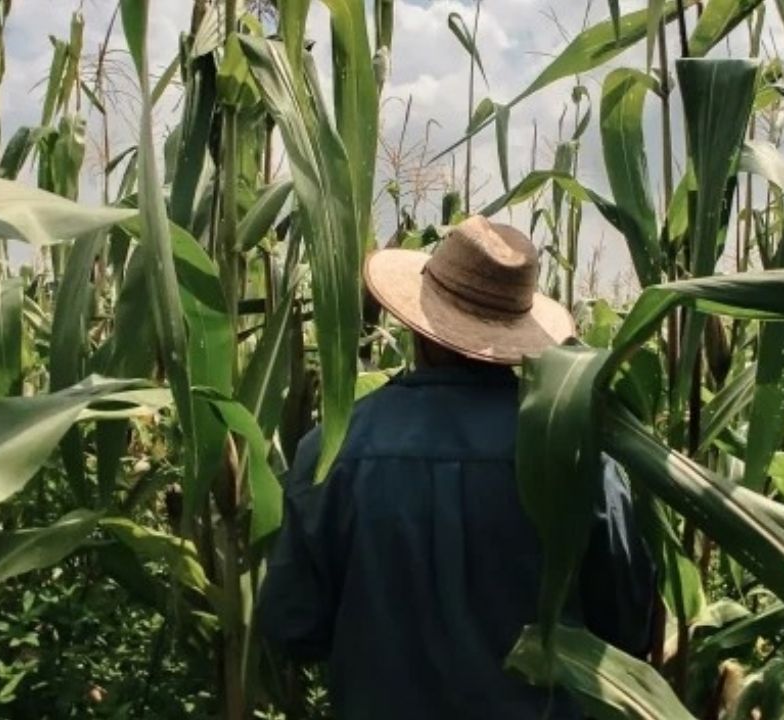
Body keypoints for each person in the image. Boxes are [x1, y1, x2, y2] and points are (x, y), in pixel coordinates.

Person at [258, 215, 657, 719]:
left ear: (418, 327)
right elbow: (628, 629)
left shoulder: (334, 449)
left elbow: (293, 627)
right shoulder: (577, 454)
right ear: (517, 335)